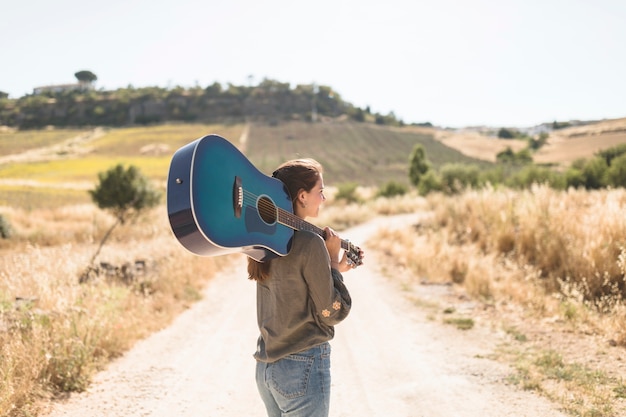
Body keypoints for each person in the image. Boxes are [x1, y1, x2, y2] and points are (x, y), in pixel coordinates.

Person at [248, 158, 361, 417]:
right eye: (320, 192)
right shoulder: (311, 243)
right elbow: (333, 312)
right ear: (302, 196)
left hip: (267, 368)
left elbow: (293, 282)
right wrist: (332, 262)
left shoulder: (263, 237)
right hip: (302, 367)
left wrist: (333, 270)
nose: (323, 199)